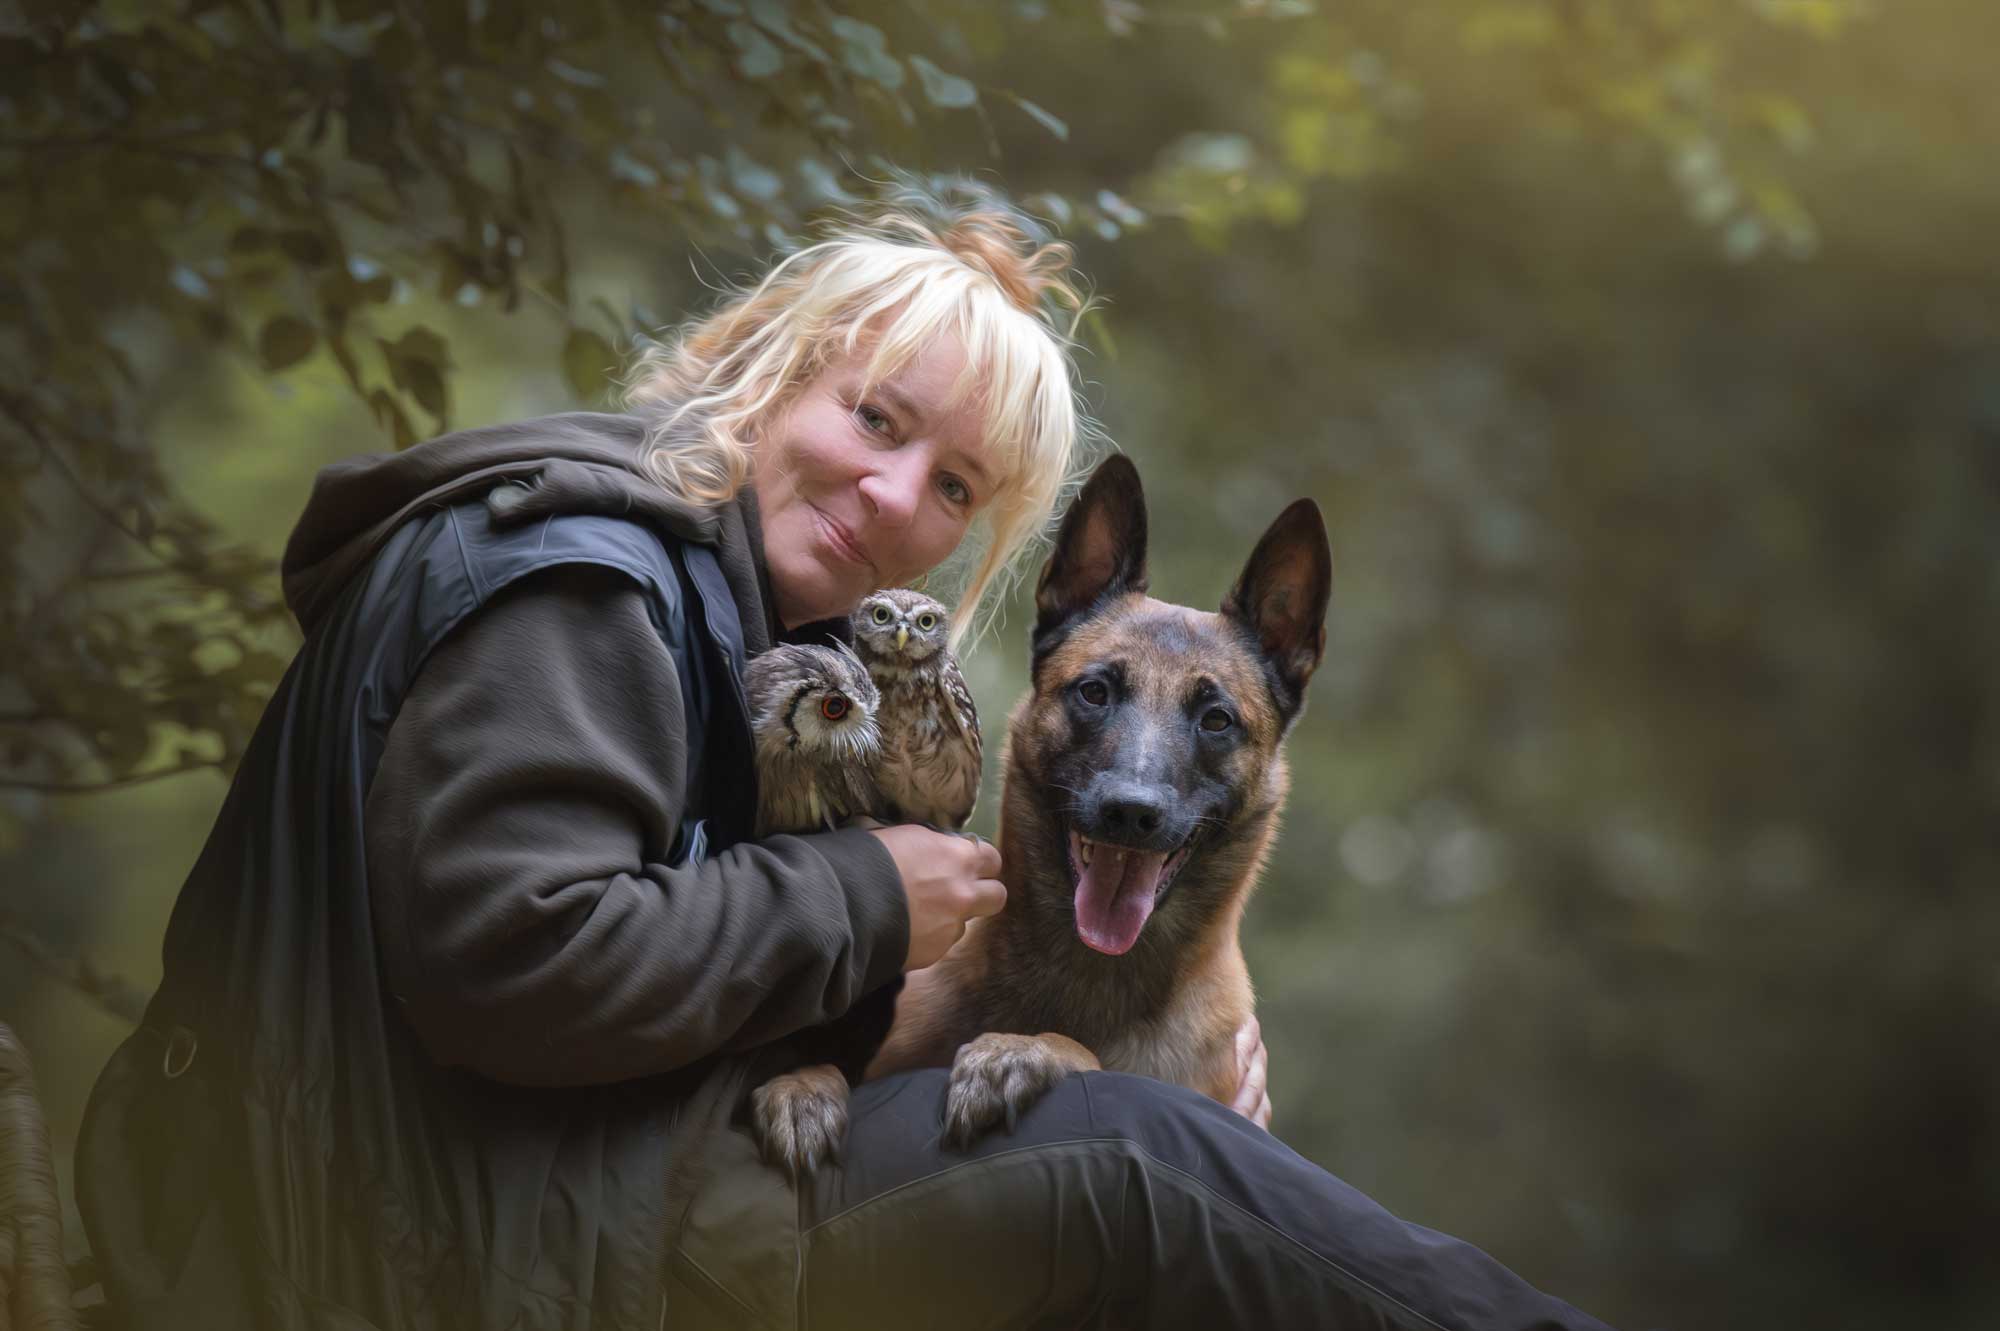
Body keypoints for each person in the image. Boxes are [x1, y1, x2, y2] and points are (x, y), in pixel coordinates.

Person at [73, 182, 1612, 1330]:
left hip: (502, 1196)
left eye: (953, 485)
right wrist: (860, 896)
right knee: (1135, 1166)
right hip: (384, 1247)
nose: (892, 499)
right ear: (768, 362)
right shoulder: (584, 584)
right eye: (874, 418)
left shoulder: (706, 617)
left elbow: (639, 972)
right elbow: (508, 962)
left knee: (1136, 1150)